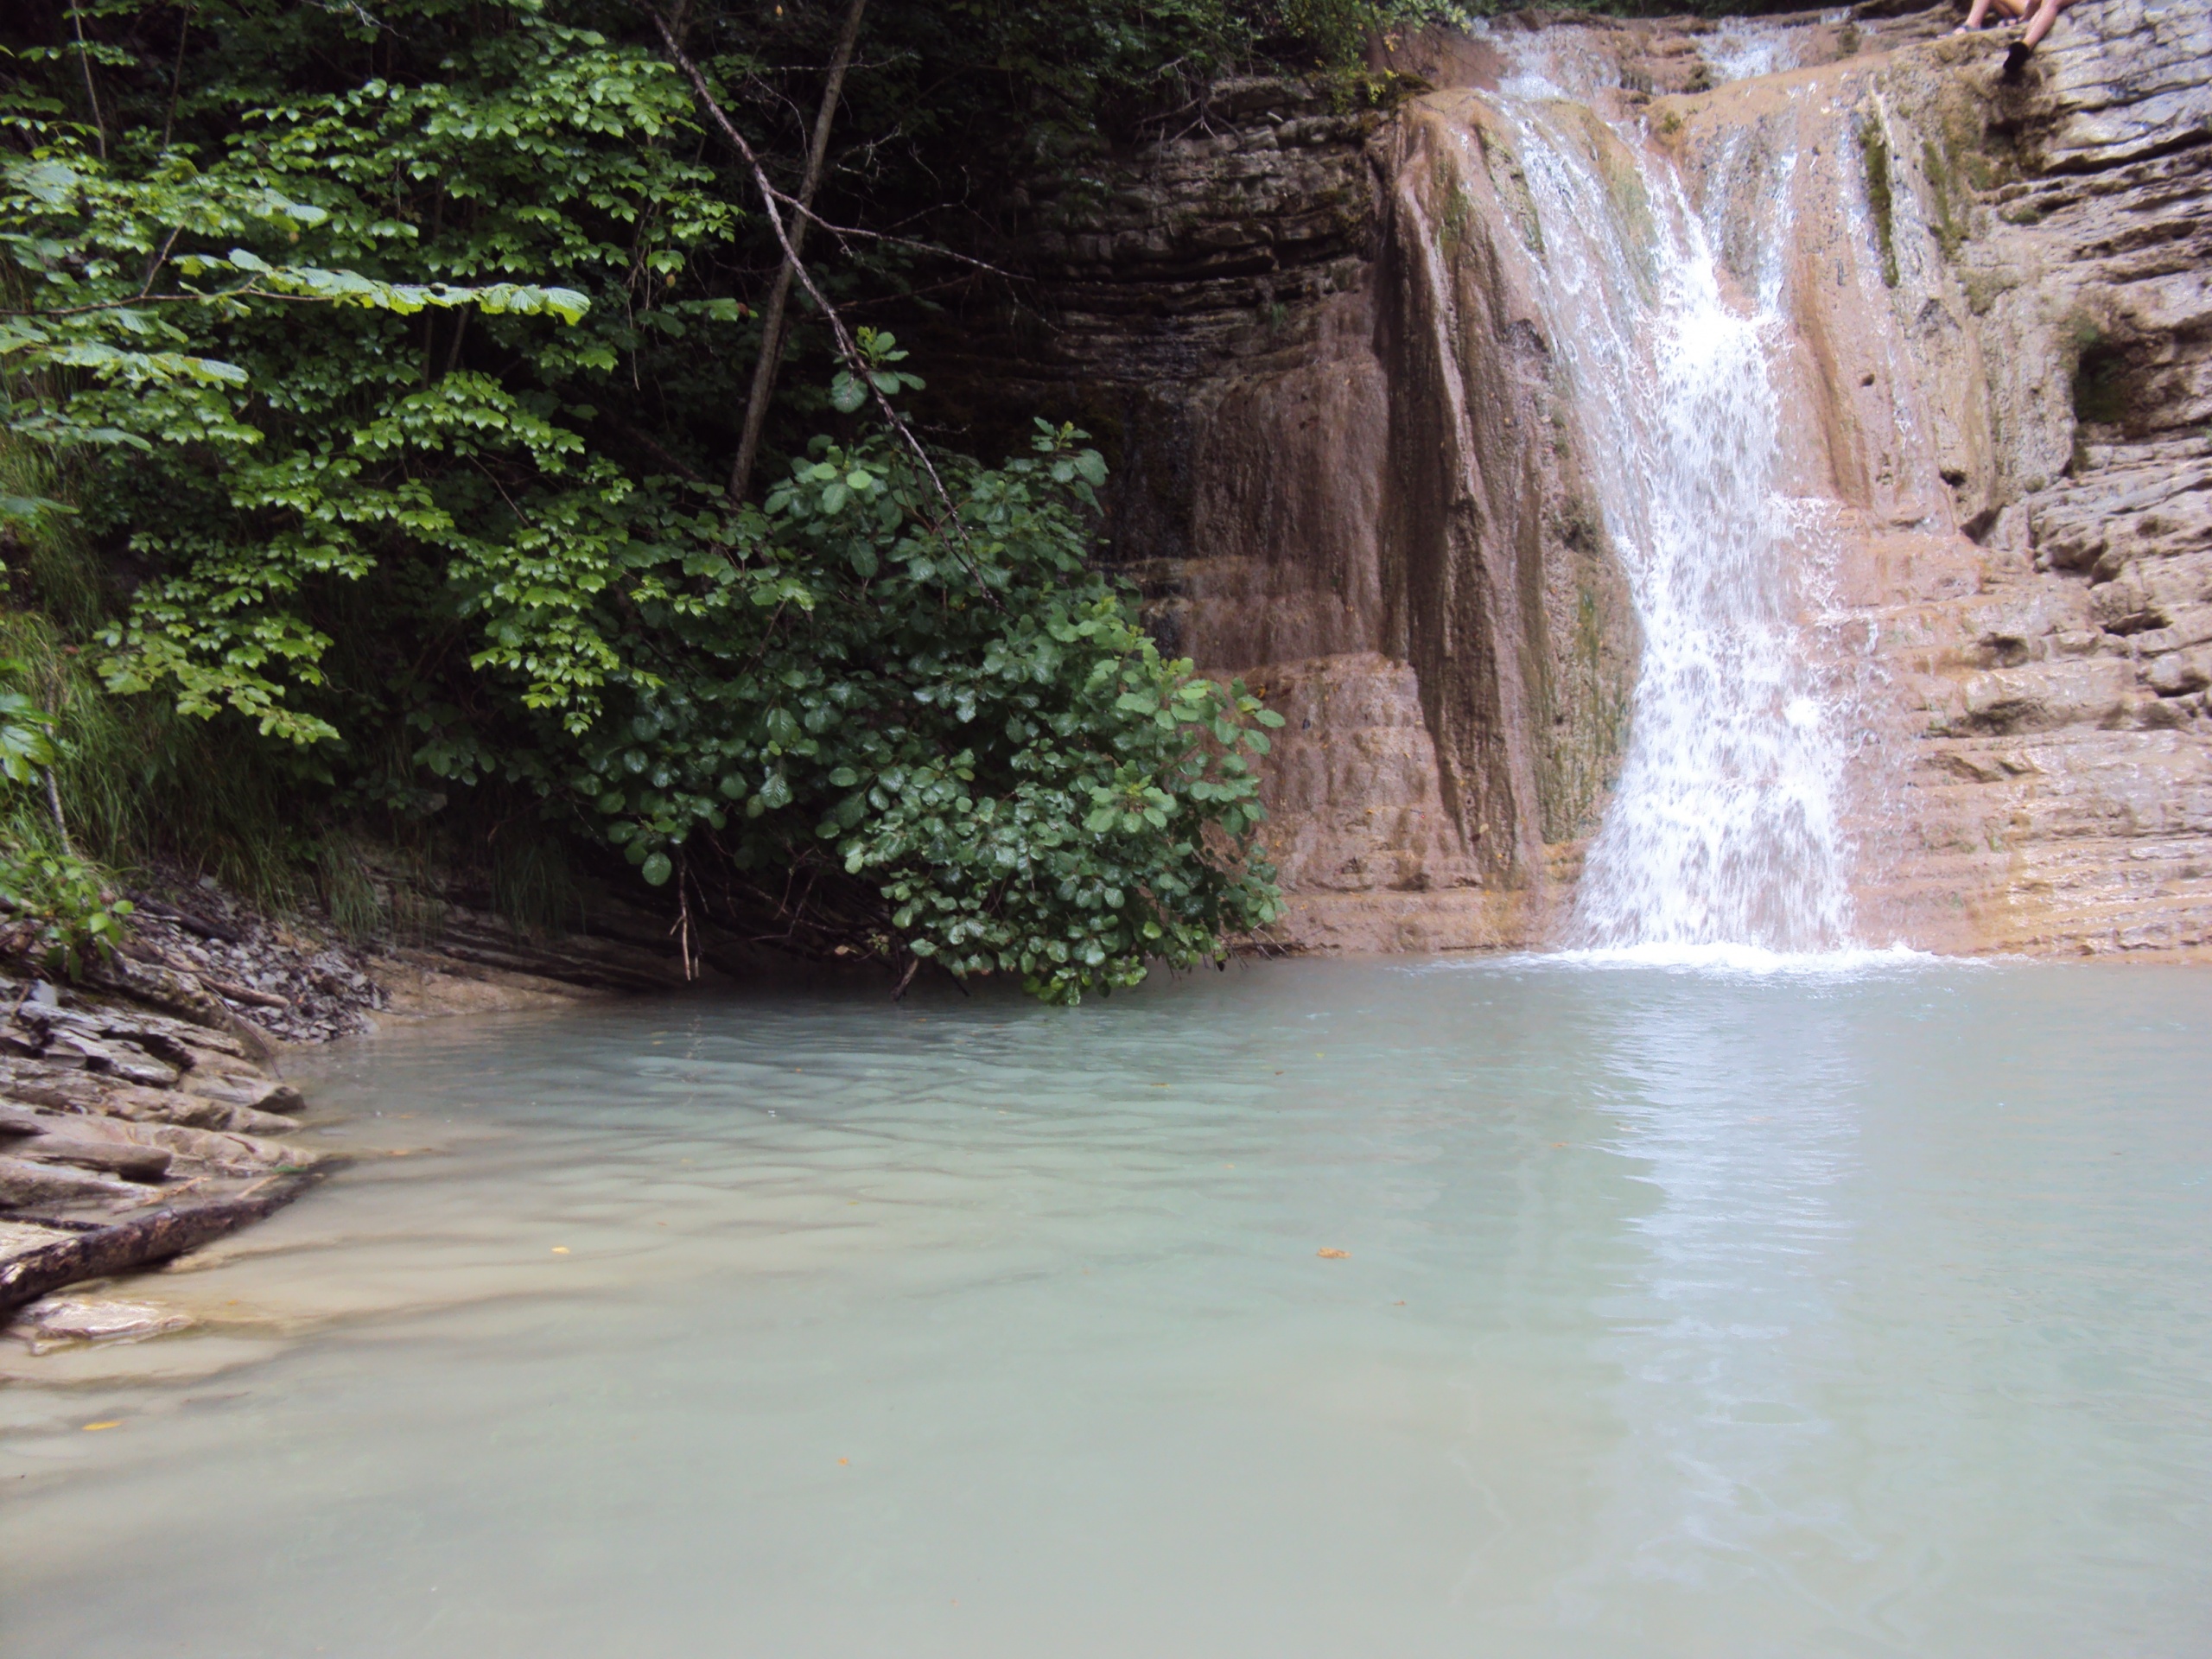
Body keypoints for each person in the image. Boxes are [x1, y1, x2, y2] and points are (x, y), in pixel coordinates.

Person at [1955, 0, 2082, 76]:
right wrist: (2025, 18)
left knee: (2051, 2)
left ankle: (2025, 45)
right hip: (2032, 6)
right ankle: (1971, 24)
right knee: (2044, 4)